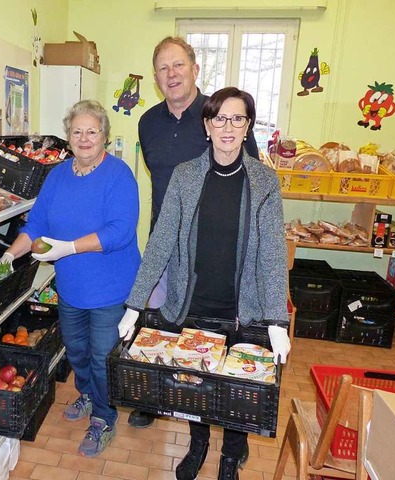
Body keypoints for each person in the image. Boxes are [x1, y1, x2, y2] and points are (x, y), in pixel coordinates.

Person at [118, 87, 291, 480]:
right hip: (193, 305)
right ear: (206, 126)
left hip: (240, 308)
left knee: (236, 389)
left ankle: (231, 456)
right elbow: (161, 241)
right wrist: (134, 302)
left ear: (247, 127)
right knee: (195, 382)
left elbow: (271, 254)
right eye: (219, 118)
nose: (227, 127)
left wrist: (277, 321)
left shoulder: (264, 181)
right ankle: (198, 444)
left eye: (237, 118)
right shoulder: (186, 176)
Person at [129, 36, 260, 428]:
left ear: (195, 69)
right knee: (157, 321)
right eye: (164, 68)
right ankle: (154, 397)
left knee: (206, 330)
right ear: (155, 77)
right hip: (163, 242)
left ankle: (220, 412)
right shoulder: (147, 122)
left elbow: (248, 181)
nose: (172, 74)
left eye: (179, 65)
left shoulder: (219, 116)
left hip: (211, 250)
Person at [1, 100, 141, 457]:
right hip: (72, 287)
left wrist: (67, 248)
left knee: (101, 357)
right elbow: (35, 225)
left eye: (92, 131)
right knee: (76, 352)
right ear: (68, 137)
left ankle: (104, 417)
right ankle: (88, 394)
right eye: (77, 131)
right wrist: (9, 253)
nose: (84, 138)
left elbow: (119, 233)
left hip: (111, 287)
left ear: (104, 136)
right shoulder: (58, 175)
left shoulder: (119, 175)